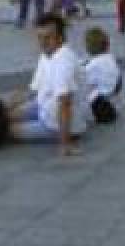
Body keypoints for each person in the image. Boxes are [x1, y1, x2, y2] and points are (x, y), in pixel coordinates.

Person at [5, 14, 85, 156]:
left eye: (48, 37)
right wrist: (6, 106)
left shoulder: (63, 62)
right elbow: (32, 89)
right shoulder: (47, 54)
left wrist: (65, 144)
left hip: (56, 125)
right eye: (40, 37)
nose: (43, 42)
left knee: (4, 131)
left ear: (61, 38)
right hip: (43, 106)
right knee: (1, 117)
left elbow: (65, 103)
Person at [83, 26, 122, 124]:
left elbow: (85, 81)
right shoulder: (111, 58)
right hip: (112, 91)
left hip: (99, 97)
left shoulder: (93, 65)